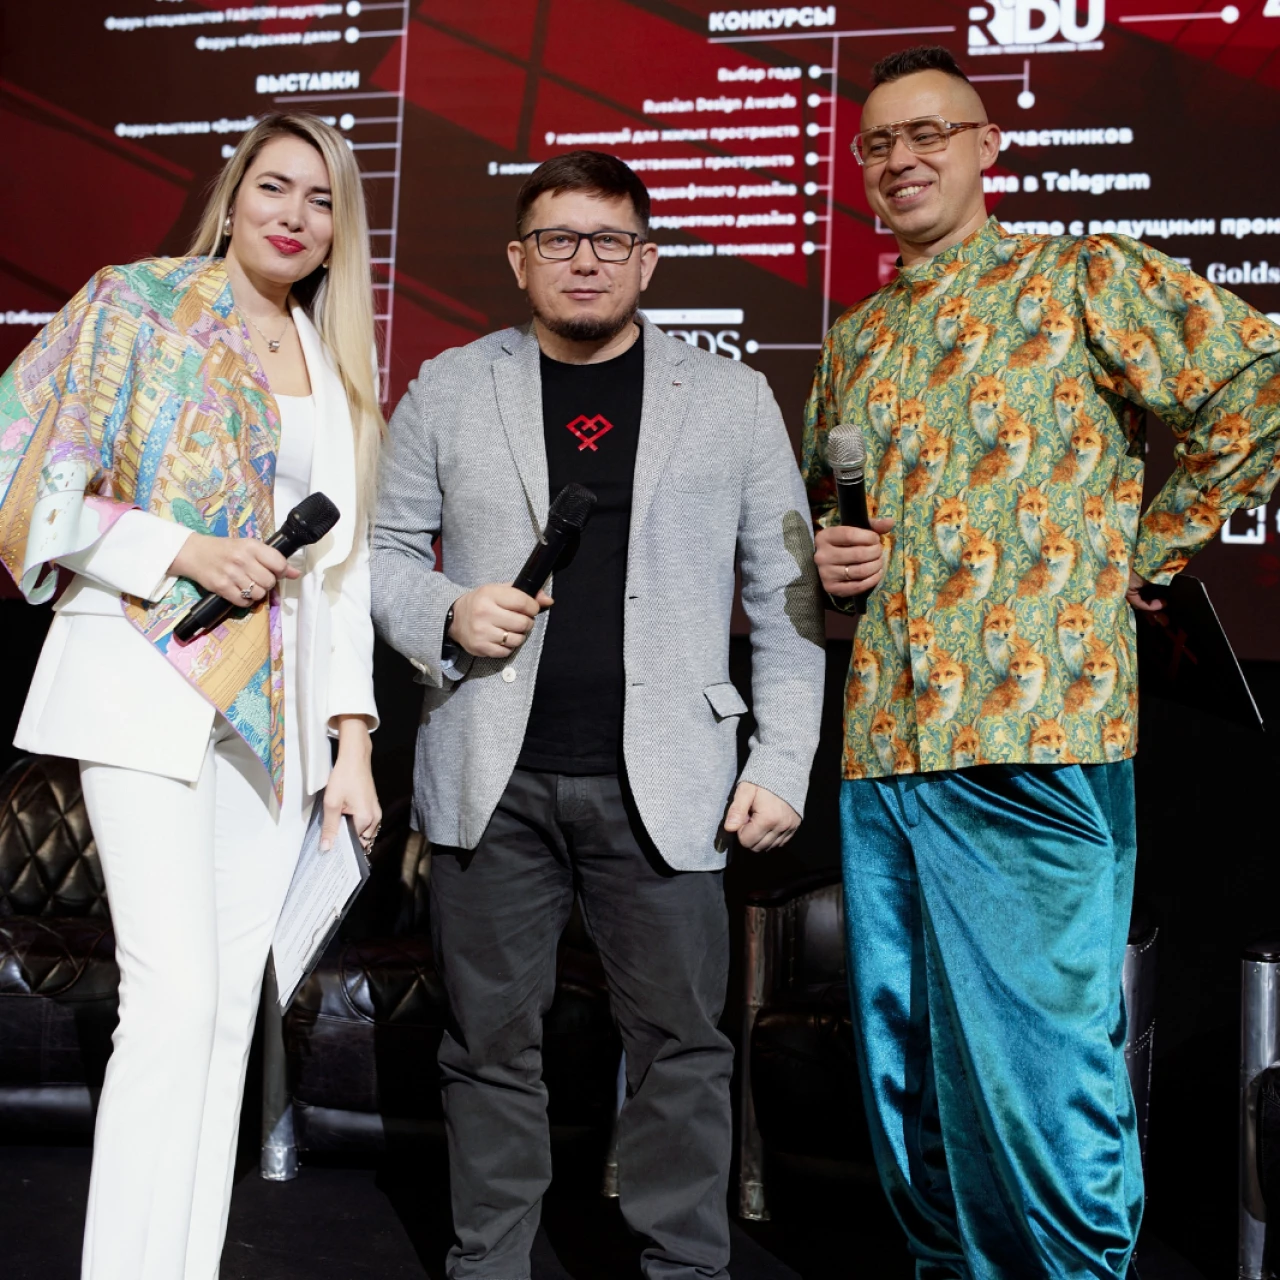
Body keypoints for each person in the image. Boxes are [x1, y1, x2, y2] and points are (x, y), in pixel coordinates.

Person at [803, 45, 1280, 1280]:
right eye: (877, 142)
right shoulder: (853, 341)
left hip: (1034, 735)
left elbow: (1257, 380)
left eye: (928, 133)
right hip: (884, 741)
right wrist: (833, 566)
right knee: (907, 1064)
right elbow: (832, 532)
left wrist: (1147, 549)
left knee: (1042, 1071)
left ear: (985, 146)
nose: (900, 158)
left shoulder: (1076, 278)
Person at [371, 149, 825, 1280]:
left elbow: (786, 594)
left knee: (681, 1050)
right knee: (488, 1047)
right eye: (560, 239)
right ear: (519, 259)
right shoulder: (448, 386)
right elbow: (381, 556)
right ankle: (490, 1264)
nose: (586, 260)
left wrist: (783, 756)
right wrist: (447, 609)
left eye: (611, 239)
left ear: (647, 260)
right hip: (490, 774)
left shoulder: (729, 399)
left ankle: (685, 1269)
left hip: (670, 780)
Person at [0, 113, 383, 1279]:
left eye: (320, 199)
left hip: (277, 713)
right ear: (233, 194)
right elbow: (24, 474)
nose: (293, 215)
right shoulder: (137, 304)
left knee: (224, 1014)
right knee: (171, 997)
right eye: (274, 186)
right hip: (139, 678)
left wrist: (353, 743)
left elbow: (343, 572)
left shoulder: (331, 362)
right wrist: (180, 547)